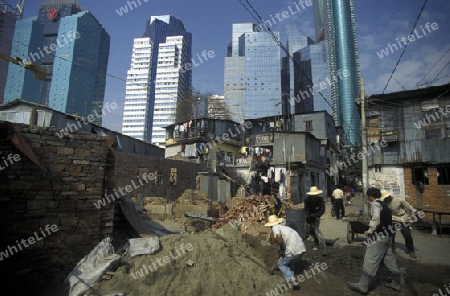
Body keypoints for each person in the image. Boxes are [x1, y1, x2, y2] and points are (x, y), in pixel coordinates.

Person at [348, 187, 402, 294]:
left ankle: (363, 286)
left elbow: (376, 218)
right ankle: (396, 283)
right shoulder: (385, 205)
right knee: (389, 260)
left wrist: (370, 230)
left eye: (368, 196)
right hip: (388, 237)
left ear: (370, 196)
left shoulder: (375, 204)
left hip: (379, 237)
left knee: (370, 259)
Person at [265, 215, 309, 290]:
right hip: (301, 249)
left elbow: (279, 237)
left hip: (293, 249)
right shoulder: (285, 228)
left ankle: (292, 280)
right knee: (289, 261)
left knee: (281, 263)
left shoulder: (275, 227)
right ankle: (291, 275)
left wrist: (282, 248)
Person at [381, 190, 417, 259]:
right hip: (393, 218)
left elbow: (408, 205)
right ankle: (391, 248)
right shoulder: (385, 203)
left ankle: (411, 250)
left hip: (403, 218)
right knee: (391, 235)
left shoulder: (398, 199)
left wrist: (414, 211)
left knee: (407, 234)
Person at [304, 186, 325, 251]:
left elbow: (322, 210)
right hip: (309, 217)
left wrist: (316, 215)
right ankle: (308, 244)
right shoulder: (307, 200)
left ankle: (316, 244)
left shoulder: (320, 200)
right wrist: (307, 216)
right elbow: (306, 209)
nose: (314, 196)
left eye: (315, 195)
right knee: (309, 231)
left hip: (316, 217)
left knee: (316, 230)